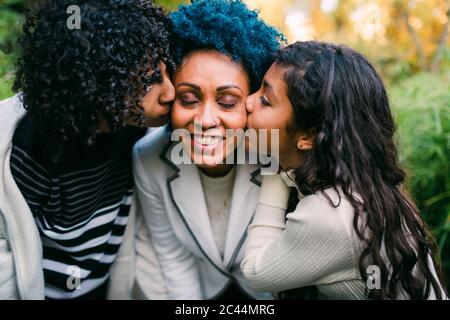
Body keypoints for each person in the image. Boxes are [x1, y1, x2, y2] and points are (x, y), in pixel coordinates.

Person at [241, 41, 448, 299]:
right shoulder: (359, 188)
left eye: (265, 100)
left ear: (309, 136)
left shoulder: (333, 213)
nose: (247, 102)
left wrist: (272, 168)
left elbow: (256, 270)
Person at [0, 0, 175, 299]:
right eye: (151, 81)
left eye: (167, 71)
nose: (170, 92)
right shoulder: (33, 149)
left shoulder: (136, 133)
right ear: (95, 84)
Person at [130, 0, 284, 299]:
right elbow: (173, 258)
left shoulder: (277, 156)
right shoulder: (148, 159)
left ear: (252, 101)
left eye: (227, 102)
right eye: (188, 99)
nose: (205, 120)